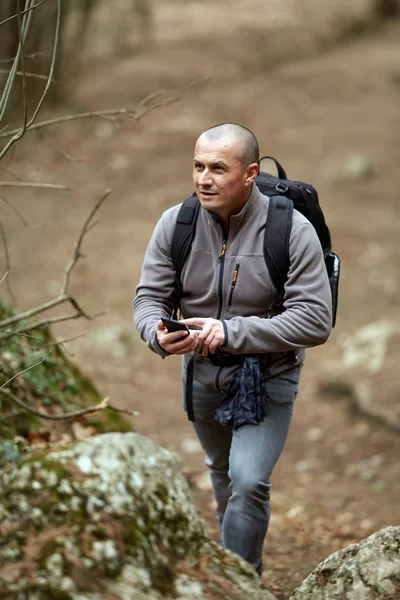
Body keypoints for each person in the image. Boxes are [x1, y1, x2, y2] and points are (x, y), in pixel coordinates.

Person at [133, 123, 332, 576]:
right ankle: (234, 570)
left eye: (218, 168)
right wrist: (155, 333)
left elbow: (315, 319)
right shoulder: (176, 223)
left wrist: (229, 332)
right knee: (221, 471)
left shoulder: (290, 229)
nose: (203, 178)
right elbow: (148, 298)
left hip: (269, 373)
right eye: (198, 166)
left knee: (248, 480)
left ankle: (241, 580)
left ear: (250, 173)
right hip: (201, 374)